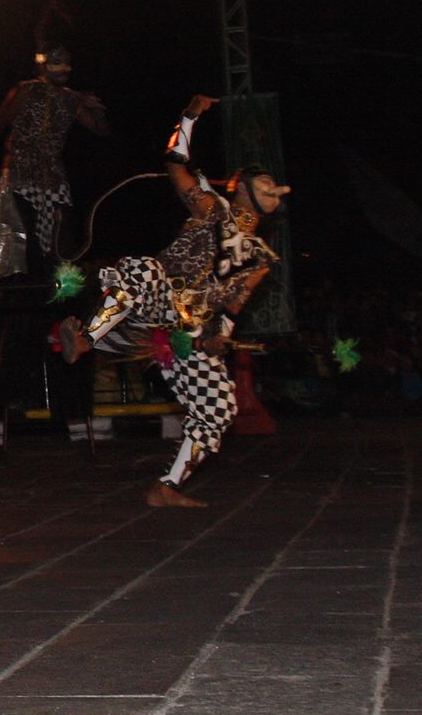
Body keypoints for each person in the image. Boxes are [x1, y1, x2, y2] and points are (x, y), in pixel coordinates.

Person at [55, 95, 286, 507]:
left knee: (220, 407)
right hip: (159, 298)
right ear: (241, 187)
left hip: (190, 331)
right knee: (143, 268)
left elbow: (233, 305)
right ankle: (88, 338)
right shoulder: (211, 207)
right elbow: (175, 163)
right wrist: (189, 117)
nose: (274, 189)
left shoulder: (261, 258)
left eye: (275, 186)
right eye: (265, 182)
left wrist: (220, 338)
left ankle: (167, 487)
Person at [0, 4, 107, 277]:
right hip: (21, 170)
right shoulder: (26, 90)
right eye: (57, 63)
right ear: (45, 66)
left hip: (52, 174)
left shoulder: (71, 99)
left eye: (67, 64)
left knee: (60, 224)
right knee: (26, 228)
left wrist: (96, 108)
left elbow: (100, 130)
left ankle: (57, 276)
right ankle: (28, 280)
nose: (64, 69)